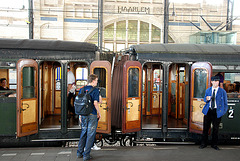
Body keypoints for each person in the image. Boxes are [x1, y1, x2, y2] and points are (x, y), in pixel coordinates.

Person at [199, 76, 228, 150]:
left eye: (217, 81)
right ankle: (203, 143)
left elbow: (225, 103)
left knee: (215, 129)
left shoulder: (222, 91)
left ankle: (214, 144)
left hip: (217, 111)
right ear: (211, 82)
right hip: (208, 111)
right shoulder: (208, 90)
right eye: (214, 81)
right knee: (205, 128)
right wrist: (206, 99)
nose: (216, 83)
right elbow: (205, 99)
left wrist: (222, 112)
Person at [77, 74, 101, 161]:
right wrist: (99, 113)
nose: (97, 82)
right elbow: (95, 103)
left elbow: (80, 103)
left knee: (84, 132)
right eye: (96, 80)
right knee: (90, 134)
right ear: (93, 80)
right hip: (92, 114)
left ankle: (79, 152)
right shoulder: (95, 90)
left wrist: (80, 115)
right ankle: (86, 155)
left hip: (83, 114)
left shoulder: (82, 89)